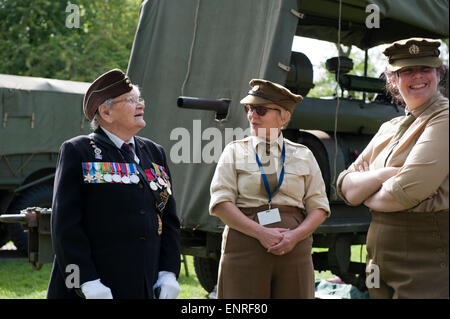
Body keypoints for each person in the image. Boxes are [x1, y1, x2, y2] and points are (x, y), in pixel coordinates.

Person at [47, 69, 181, 299]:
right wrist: (84, 281)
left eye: (140, 99)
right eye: (131, 100)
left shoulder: (154, 152)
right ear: (106, 112)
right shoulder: (79, 151)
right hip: (95, 287)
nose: (140, 105)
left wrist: (169, 271)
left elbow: (168, 219)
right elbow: (65, 227)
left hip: (143, 284)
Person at [337, 38, 449, 299]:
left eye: (425, 68)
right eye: (407, 71)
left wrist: (365, 188)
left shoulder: (444, 117)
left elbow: (404, 193)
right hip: (380, 256)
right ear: (393, 79)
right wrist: (385, 175)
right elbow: (344, 187)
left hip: (427, 254)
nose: (417, 76)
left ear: (438, 73)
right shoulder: (390, 127)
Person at [209, 79, 330, 298]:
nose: (252, 115)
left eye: (261, 110)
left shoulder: (303, 154)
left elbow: (319, 207)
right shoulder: (234, 151)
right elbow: (220, 203)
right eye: (249, 109)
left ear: (283, 116)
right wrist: (260, 232)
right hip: (245, 247)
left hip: (294, 250)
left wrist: (294, 237)